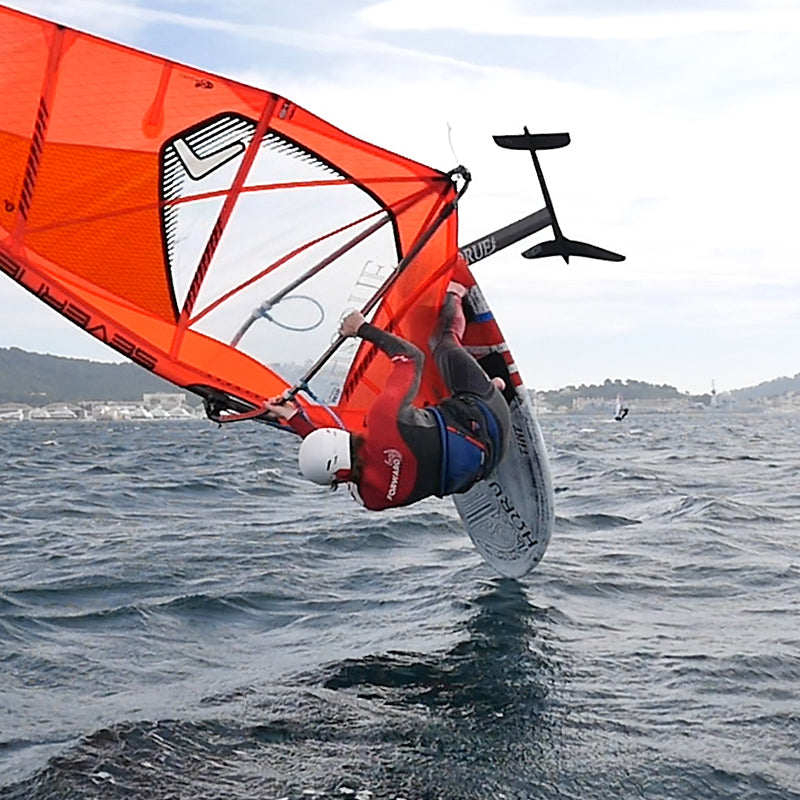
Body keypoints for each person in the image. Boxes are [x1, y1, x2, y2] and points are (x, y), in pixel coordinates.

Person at [264, 281, 511, 510]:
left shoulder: (372, 499)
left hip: (486, 466)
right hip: (491, 414)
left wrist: (294, 417)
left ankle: (493, 386)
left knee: (427, 421)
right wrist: (361, 329)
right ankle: (456, 294)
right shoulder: (384, 420)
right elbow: (412, 358)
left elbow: (340, 458)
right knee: (442, 343)